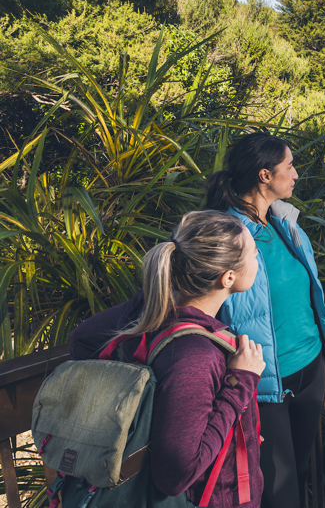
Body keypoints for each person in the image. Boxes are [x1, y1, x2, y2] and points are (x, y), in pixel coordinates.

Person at [204, 132, 325, 507]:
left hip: (311, 370)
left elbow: (312, 294)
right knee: (277, 492)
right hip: (263, 387)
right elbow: (200, 309)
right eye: (290, 166)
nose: (296, 174)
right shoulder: (225, 237)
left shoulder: (285, 224)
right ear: (265, 175)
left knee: (298, 472)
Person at [69, 210, 265, 507]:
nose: (258, 256)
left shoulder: (151, 313)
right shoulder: (195, 357)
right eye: (253, 252)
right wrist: (240, 385)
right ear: (228, 277)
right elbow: (174, 477)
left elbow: (82, 341)